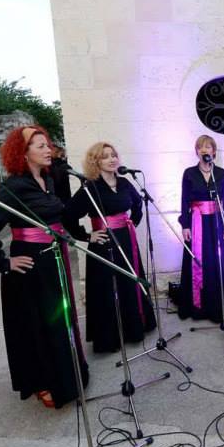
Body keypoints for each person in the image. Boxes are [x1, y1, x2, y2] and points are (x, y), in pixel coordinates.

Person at [0, 125, 88, 409]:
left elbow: (60, 214)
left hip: (55, 257)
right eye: (40, 146)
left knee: (60, 317)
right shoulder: (14, 186)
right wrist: (2, 262)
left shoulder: (47, 180)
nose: (48, 150)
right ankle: (44, 381)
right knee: (39, 322)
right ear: (23, 154)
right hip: (31, 262)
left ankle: (67, 373)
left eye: (47, 144)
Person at [63, 141, 155, 352]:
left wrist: (132, 224)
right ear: (95, 161)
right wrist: (87, 236)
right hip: (104, 243)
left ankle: (134, 328)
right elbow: (68, 215)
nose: (112, 159)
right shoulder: (90, 187)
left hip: (126, 241)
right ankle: (110, 337)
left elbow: (137, 205)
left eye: (113, 155)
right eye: (105, 156)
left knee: (129, 281)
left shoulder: (124, 183)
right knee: (107, 288)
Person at [177, 135, 224, 323]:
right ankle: (199, 307)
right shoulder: (189, 173)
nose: (204, 150)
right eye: (200, 147)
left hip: (217, 222)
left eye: (208, 147)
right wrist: (185, 224)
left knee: (220, 262)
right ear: (196, 151)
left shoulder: (222, 174)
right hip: (197, 223)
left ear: (214, 152)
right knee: (199, 262)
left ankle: (222, 306)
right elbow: (184, 200)